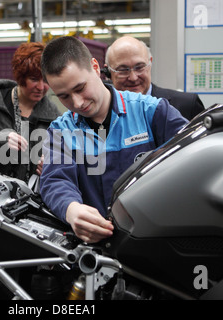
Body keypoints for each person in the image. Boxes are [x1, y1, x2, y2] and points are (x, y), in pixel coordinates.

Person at [39, 36, 188, 243]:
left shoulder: (152, 112)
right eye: (64, 96)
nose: (77, 102)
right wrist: (72, 210)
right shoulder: (61, 131)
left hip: (157, 241)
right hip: (98, 252)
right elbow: (55, 180)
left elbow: (194, 158)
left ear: (95, 67)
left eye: (80, 88)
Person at [0, 42, 61, 184]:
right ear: (21, 76)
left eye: (46, 80)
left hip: (31, 197)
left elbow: (64, 154)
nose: (40, 87)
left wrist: (52, 163)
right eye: (34, 79)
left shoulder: (54, 117)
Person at [104, 35, 205, 121]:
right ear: (108, 71)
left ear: (150, 63)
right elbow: (94, 144)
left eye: (139, 67)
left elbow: (205, 143)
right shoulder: (98, 113)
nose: (133, 78)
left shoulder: (187, 106)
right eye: (123, 70)